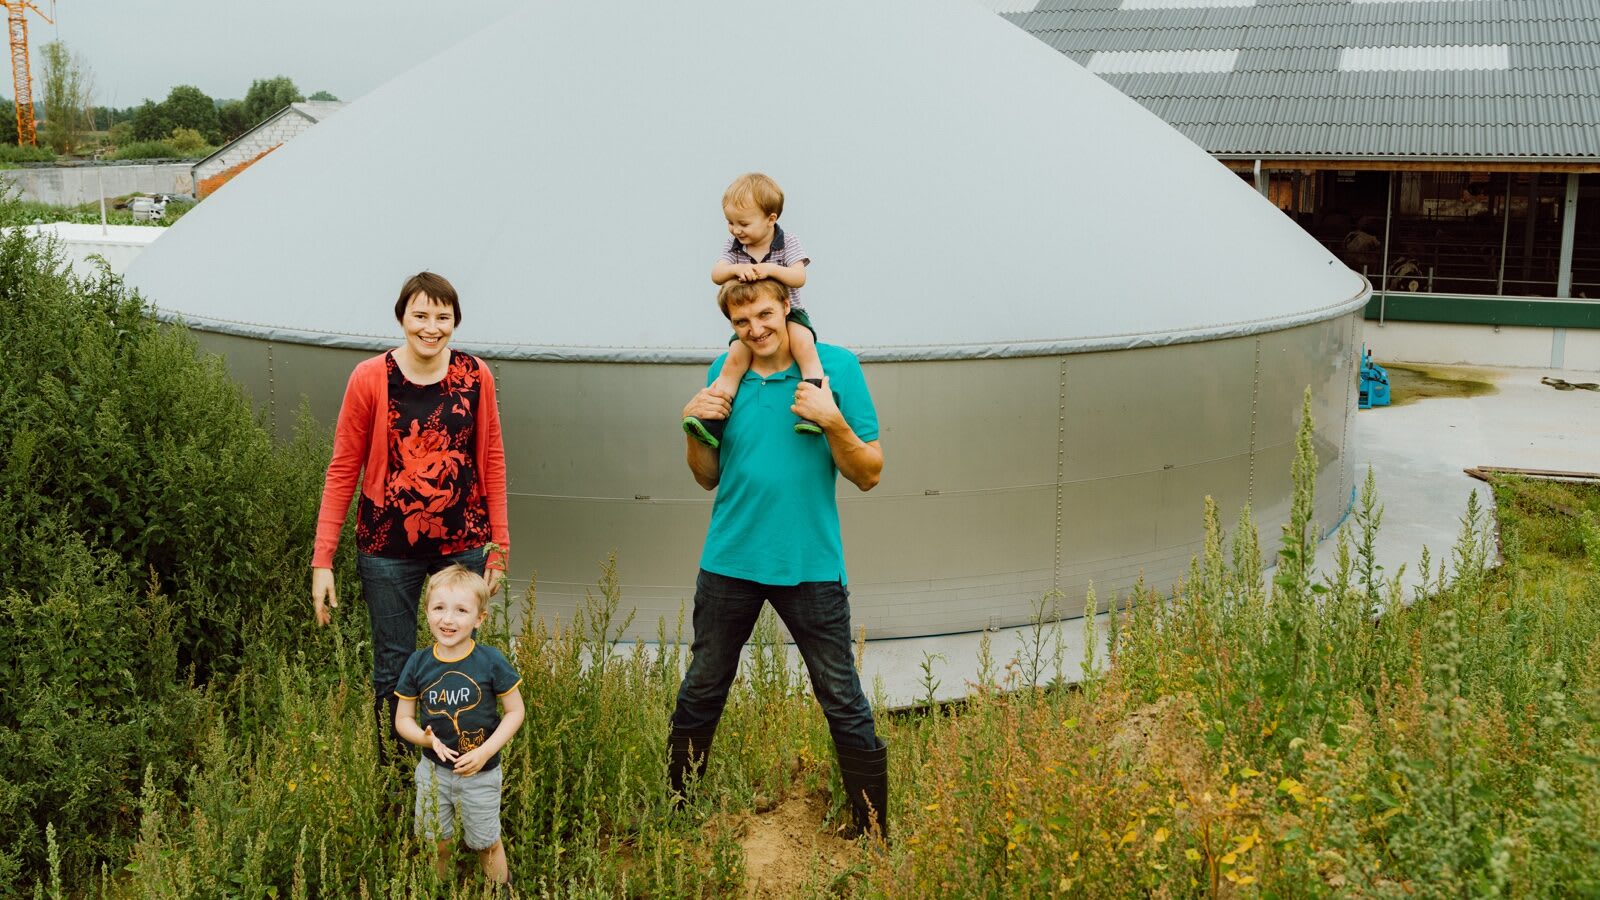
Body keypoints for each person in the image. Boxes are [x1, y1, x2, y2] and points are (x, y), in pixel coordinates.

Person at [672, 277, 890, 842]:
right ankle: (677, 816)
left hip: (809, 564)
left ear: (788, 307)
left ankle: (871, 830)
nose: (756, 329)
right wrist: (693, 428)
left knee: (840, 697)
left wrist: (832, 419)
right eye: (742, 322)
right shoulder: (726, 371)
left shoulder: (836, 368)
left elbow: (869, 473)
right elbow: (707, 476)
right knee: (702, 690)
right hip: (729, 561)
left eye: (766, 315)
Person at [309, 271, 511, 758]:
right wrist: (323, 559)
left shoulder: (475, 375)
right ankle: (398, 776)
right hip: (387, 548)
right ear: (401, 317)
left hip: (463, 543)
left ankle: (462, 765)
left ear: (455, 321)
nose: (431, 327)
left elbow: (492, 460)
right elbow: (343, 468)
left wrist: (499, 548)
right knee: (394, 665)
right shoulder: (370, 377)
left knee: (463, 659)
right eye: (420, 315)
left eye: (443, 317)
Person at [394, 565, 524, 888]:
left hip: (480, 773)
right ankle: (435, 890)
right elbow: (402, 719)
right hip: (434, 773)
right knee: (437, 843)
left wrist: (485, 751)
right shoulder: (418, 663)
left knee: (486, 844)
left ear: (480, 618)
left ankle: (501, 891)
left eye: (461, 610)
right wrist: (424, 739)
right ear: (426, 612)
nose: (448, 619)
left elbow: (515, 712)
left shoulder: (491, 661)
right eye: (439, 608)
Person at [682, 172, 825, 447]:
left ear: (771, 219)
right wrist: (738, 269)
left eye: (743, 223)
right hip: (752, 314)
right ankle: (713, 420)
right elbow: (716, 274)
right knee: (734, 361)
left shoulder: (788, 241)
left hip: (789, 314)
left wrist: (770, 269)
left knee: (804, 346)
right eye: (730, 223)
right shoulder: (735, 246)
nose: (736, 230)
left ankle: (813, 410)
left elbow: (799, 277)